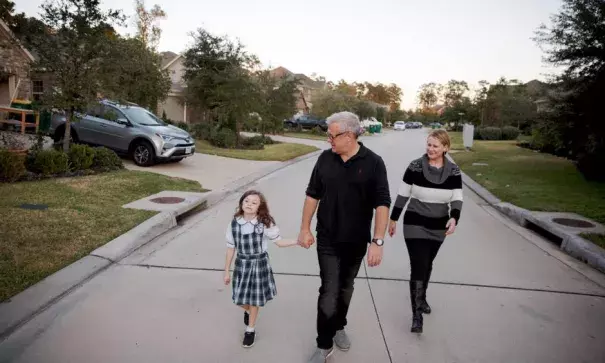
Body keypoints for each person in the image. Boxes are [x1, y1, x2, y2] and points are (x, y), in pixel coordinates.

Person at [298, 111, 391, 363]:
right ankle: (323, 345)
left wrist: (377, 241)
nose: (329, 140)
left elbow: (382, 203)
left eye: (332, 135)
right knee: (329, 290)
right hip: (327, 238)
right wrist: (305, 228)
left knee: (346, 288)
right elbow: (312, 194)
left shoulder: (373, 162)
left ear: (349, 136)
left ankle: (339, 325)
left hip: (357, 240)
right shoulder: (325, 159)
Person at [388, 129, 463, 334]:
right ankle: (416, 315)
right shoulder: (415, 167)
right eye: (428, 144)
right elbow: (403, 193)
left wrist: (454, 218)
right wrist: (393, 218)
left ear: (445, 148)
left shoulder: (454, 171)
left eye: (435, 146)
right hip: (415, 223)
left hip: (438, 225)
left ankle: (422, 297)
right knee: (419, 265)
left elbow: (457, 198)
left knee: (428, 264)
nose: (430, 149)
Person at [223, 190, 299, 348]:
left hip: (259, 264)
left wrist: (297, 241)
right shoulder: (234, 223)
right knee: (239, 299)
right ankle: (248, 310)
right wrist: (226, 271)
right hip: (242, 264)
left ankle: (250, 330)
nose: (249, 204)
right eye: (246, 201)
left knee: (254, 300)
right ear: (241, 203)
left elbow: (279, 242)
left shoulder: (264, 222)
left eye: (254, 202)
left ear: (260, 207)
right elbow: (231, 248)